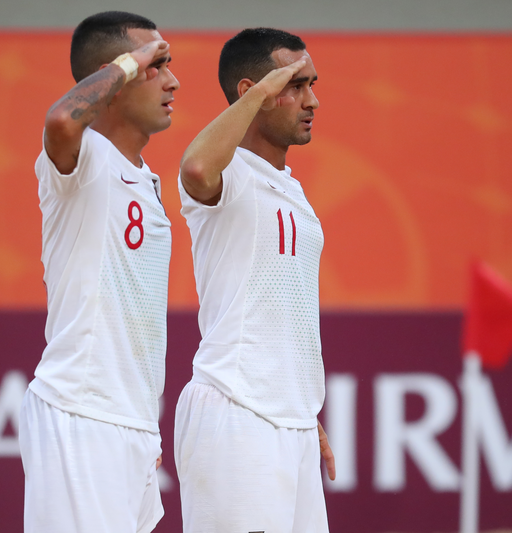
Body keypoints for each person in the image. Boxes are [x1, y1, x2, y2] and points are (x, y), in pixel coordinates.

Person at [17, 11, 179, 533]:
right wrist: (132, 62)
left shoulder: (148, 182)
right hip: (81, 413)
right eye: (159, 66)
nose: (173, 81)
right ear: (117, 77)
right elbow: (62, 119)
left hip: (129, 425)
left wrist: (143, 428)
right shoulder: (82, 161)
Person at [174, 27, 335, 533]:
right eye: (296, 84)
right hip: (236, 413)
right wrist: (266, 90)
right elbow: (195, 167)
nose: (312, 100)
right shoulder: (229, 175)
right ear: (252, 93)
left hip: (290, 420)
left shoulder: (292, 190)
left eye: (312, 84)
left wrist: (300, 405)